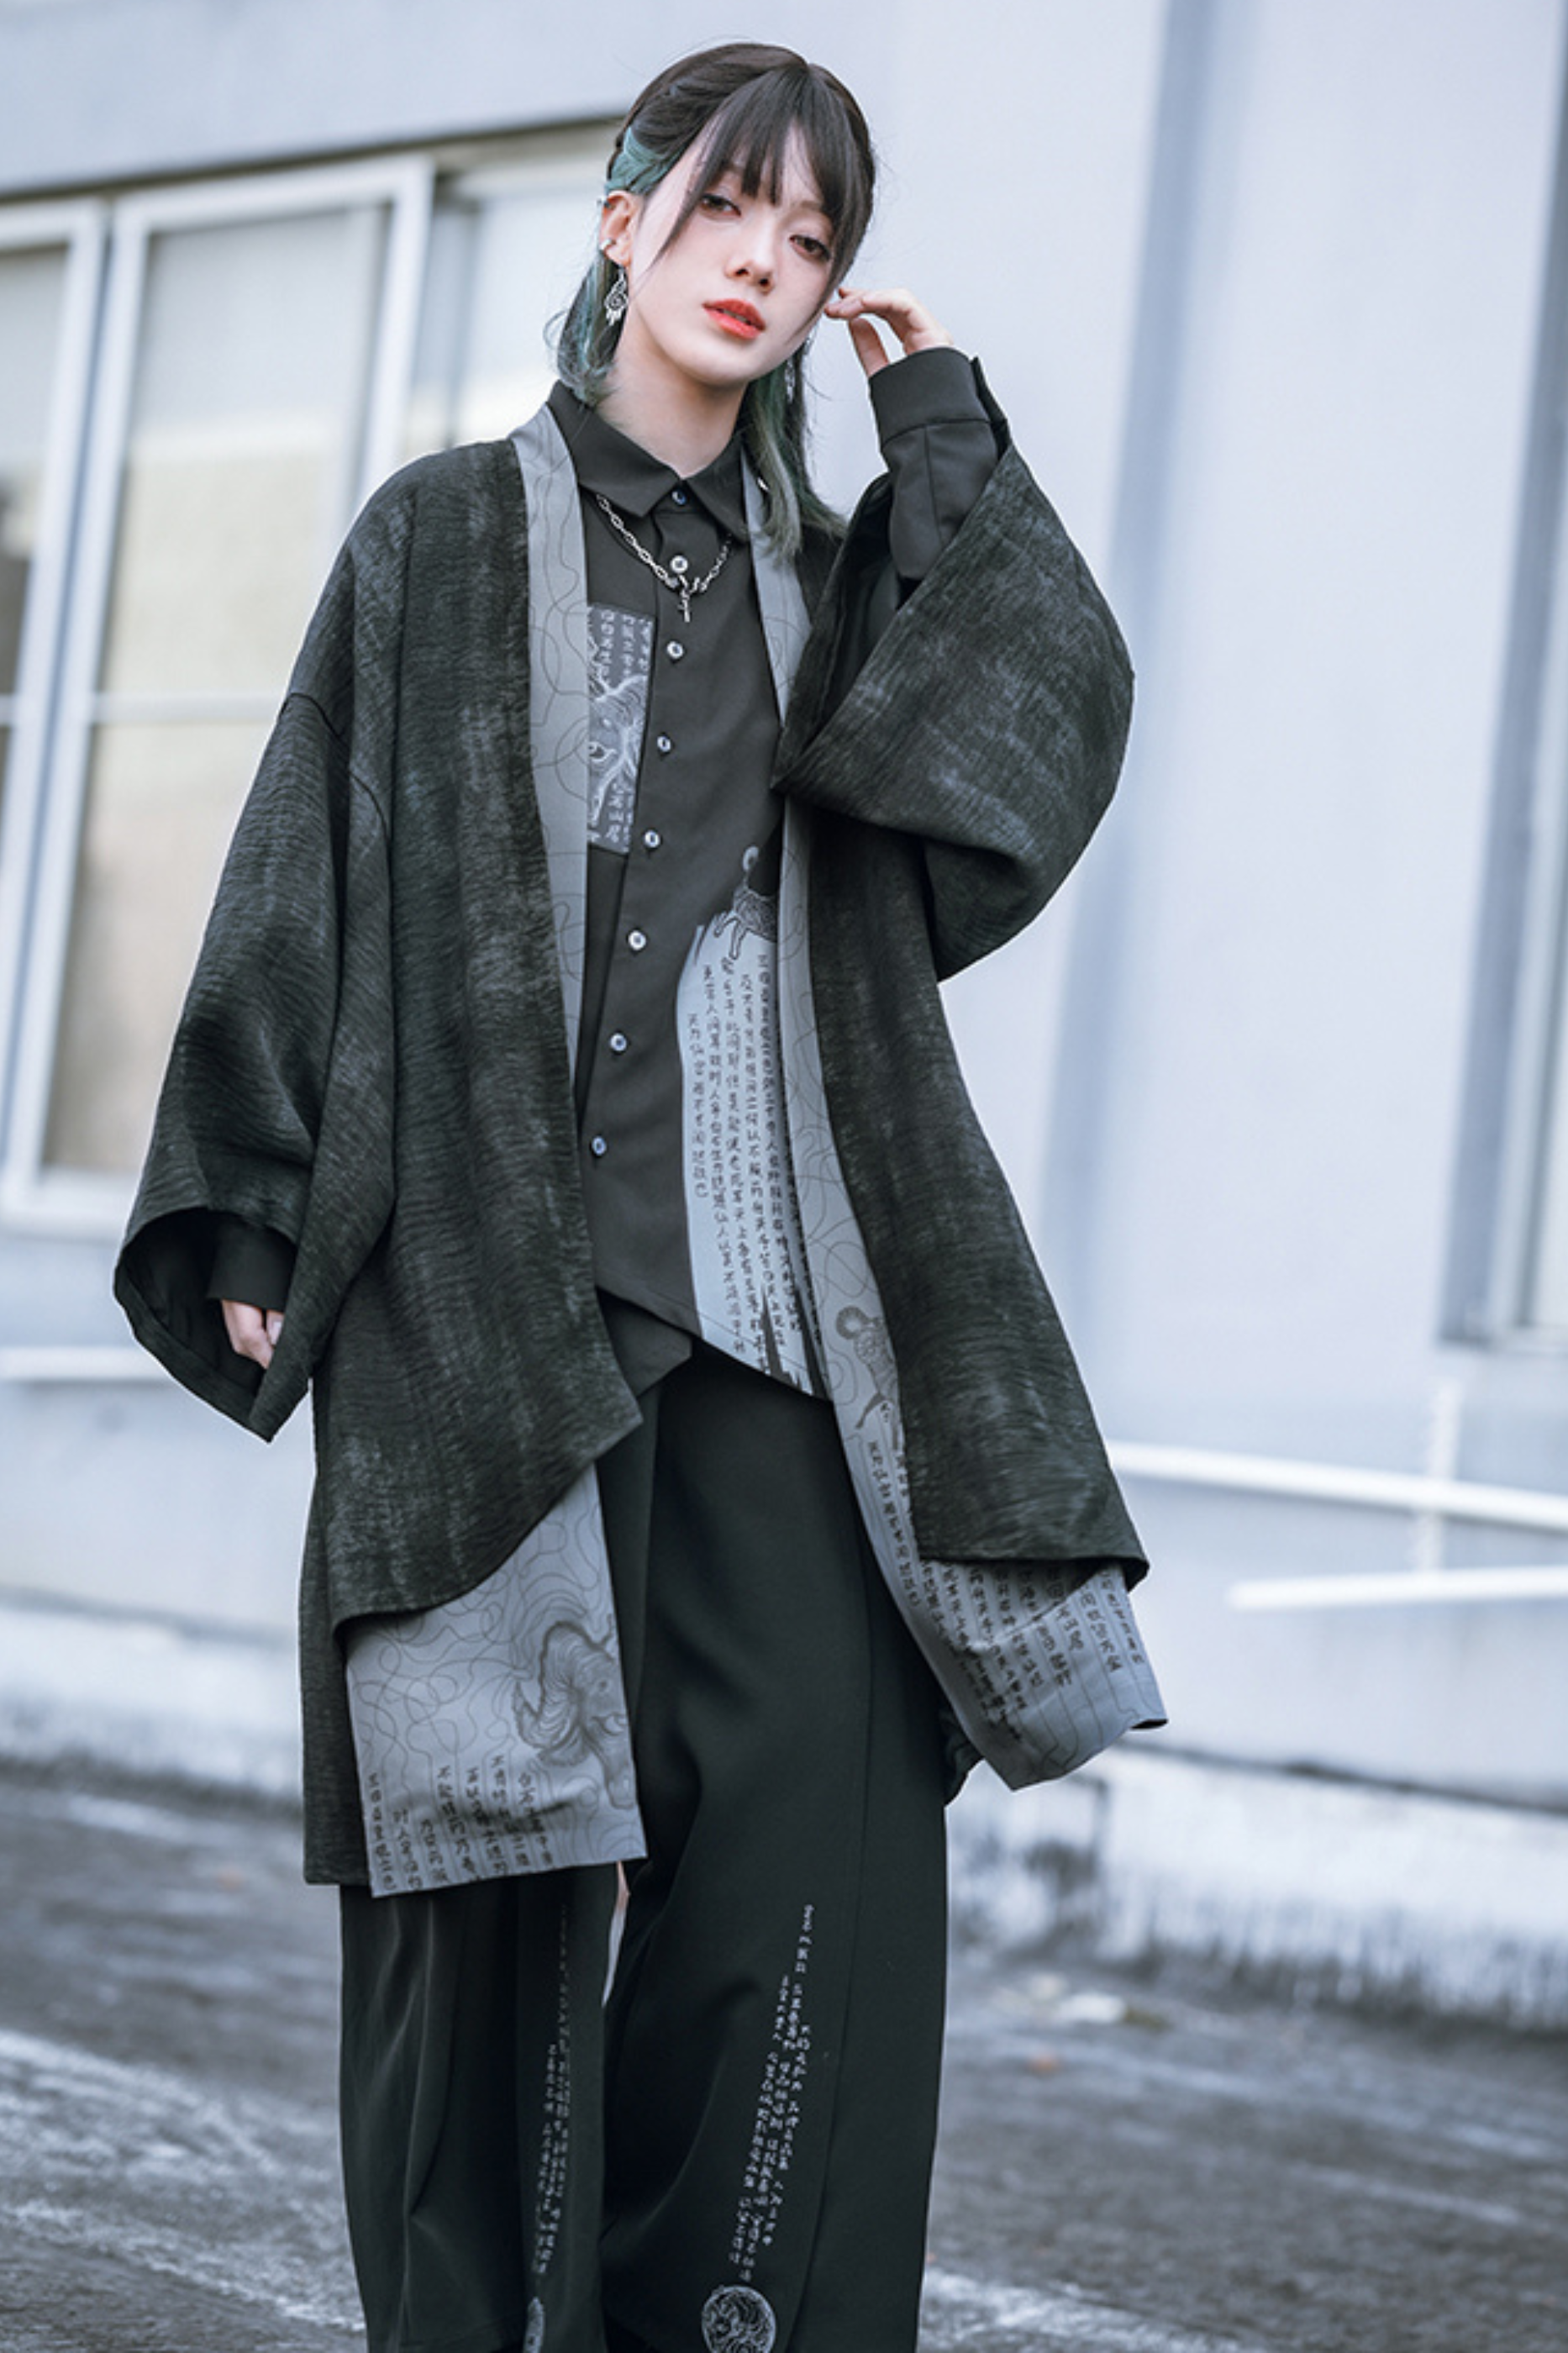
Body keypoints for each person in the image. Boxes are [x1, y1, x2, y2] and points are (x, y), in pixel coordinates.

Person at [115, 39, 1164, 2353]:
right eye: (725, 210)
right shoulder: (438, 538)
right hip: (489, 1328)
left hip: (783, 1335)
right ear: (624, 224)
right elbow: (308, 858)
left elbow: (1033, 728)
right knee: (484, 1907)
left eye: (812, 238)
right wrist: (254, 1206)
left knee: (811, 1885)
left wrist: (941, 431)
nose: (764, 264)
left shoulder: (831, 582)